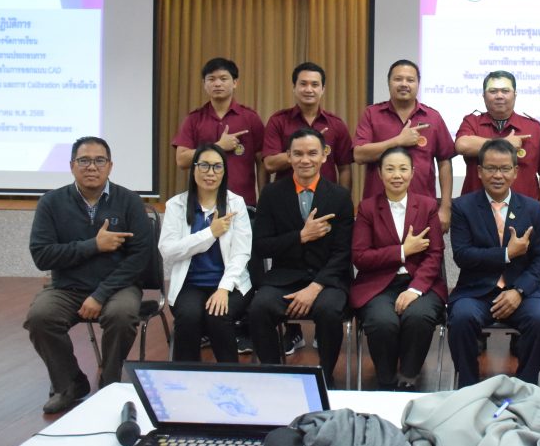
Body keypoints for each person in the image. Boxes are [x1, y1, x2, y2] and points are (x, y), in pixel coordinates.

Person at [25, 137, 151, 413]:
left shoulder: (129, 201)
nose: (91, 167)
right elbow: (42, 255)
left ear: (110, 166)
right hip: (67, 287)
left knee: (122, 315)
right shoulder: (51, 202)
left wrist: (100, 295)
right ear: (72, 165)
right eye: (84, 160)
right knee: (40, 317)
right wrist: (93, 245)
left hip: (118, 288)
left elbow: (141, 258)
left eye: (99, 160)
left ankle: (109, 383)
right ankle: (70, 384)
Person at [249, 128, 354, 387]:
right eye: (297, 154)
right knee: (259, 308)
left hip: (327, 280)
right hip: (284, 278)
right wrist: (301, 236)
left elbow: (343, 252)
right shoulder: (271, 194)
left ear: (324, 155)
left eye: (312, 153)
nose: (305, 160)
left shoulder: (340, 196)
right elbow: (261, 246)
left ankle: (325, 378)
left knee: (329, 311)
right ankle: (275, 377)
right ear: (288, 156)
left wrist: (315, 287)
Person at [447, 139, 540, 388]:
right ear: (479, 171)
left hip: (521, 291)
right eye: (491, 168)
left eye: (505, 169)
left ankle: (525, 387)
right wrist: (507, 253)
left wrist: (519, 291)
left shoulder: (532, 208)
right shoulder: (462, 207)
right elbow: (462, 255)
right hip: (477, 291)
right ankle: (469, 388)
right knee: (461, 318)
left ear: (515, 172)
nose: (498, 175)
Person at [351, 147, 447, 390]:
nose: (397, 175)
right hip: (377, 284)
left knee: (419, 317)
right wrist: (403, 251)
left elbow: (435, 254)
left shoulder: (427, 205)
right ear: (380, 174)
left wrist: (415, 290)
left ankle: (408, 378)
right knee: (382, 322)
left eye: (403, 169)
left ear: (412, 173)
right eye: (390, 169)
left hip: (421, 283)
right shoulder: (367, 208)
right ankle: (385, 381)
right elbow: (360, 257)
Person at [158, 144, 252, 363]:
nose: (210, 172)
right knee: (188, 317)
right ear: (194, 169)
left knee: (217, 315)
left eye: (217, 167)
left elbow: (241, 254)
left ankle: (230, 375)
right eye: (204, 166)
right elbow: (168, 251)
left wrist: (223, 289)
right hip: (190, 284)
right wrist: (210, 233)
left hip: (231, 284)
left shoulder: (236, 203)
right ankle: (187, 377)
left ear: (224, 172)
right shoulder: (176, 205)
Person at [354, 59, 456, 231]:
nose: (404, 84)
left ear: (418, 84)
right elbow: (359, 155)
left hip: (423, 209)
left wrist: (445, 207)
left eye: (410, 80)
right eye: (398, 79)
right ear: (388, 83)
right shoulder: (372, 114)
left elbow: (445, 162)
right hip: (379, 209)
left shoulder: (433, 117)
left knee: (426, 249)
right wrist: (398, 141)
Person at [455, 70, 540, 218]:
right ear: (484, 96)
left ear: (515, 94)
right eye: (493, 91)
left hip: (524, 212)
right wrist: (504, 142)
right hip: (476, 213)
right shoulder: (472, 122)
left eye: (505, 91)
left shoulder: (532, 127)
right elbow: (462, 145)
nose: (499, 96)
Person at [171, 57, 265, 206]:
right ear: (204, 84)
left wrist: (264, 201)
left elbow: (262, 162)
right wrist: (218, 146)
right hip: (202, 204)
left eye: (223, 78)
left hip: (243, 203)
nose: (217, 84)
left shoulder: (250, 118)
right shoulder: (194, 119)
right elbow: (181, 160)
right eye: (211, 79)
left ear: (235, 82)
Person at [263, 62, 353, 190]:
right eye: (303, 84)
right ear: (294, 87)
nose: (309, 89)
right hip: (286, 195)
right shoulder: (278, 121)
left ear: (322, 89)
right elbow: (269, 164)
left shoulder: (336, 124)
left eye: (315, 85)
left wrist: (343, 199)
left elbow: (345, 168)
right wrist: (303, 149)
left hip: (326, 196)